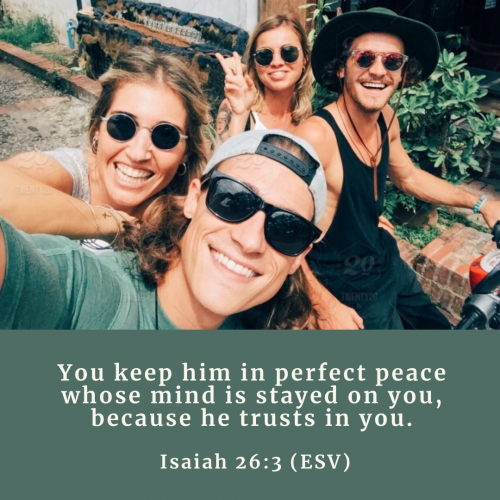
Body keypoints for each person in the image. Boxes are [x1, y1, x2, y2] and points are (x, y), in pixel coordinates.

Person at [295, 7, 500, 329]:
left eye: (392, 61)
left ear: (403, 73)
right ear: (341, 68)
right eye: (364, 58)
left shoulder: (386, 118)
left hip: (385, 258)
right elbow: (274, 229)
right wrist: (323, 306)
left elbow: (408, 176)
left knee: (441, 330)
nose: (378, 71)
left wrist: (481, 203)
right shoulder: (315, 136)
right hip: (345, 283)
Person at [0, 130, 326, 330]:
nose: (250, 240)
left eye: (288, 229)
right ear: (194, 199)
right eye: (233, 200)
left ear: (300, 257)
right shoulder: (86, 288)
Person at [0, 47, 210, 248]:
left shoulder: (183, 208)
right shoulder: (73, 175)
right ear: (97, 129)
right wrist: (115, 222)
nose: (138, 153)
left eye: (165, 135)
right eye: (122, 125)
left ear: (186, 152)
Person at [214, 14, 313, 145]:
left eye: (288, 52)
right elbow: (222, 158)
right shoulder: (236, 107)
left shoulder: (307, 118)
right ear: (254, 63)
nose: (277, 62)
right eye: (265, 55)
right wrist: (240, 116)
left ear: (305, 58)